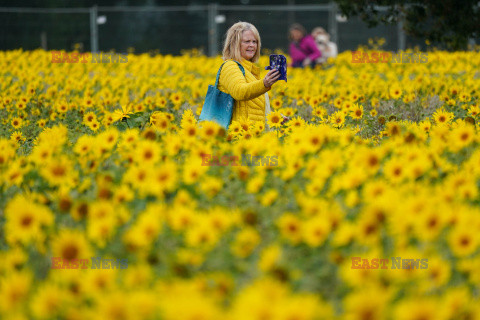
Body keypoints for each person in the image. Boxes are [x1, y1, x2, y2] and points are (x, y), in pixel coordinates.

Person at [217, 22, 281, 128]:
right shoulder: (230, 66)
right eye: (247, 41)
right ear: (234, 44)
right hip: (239, 133)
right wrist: (264, 84)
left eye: (254, 42)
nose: (252, 45)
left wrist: (275, 118)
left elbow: (254, 107)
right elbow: (240, 92)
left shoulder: (250, 70)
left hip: (252, 133)